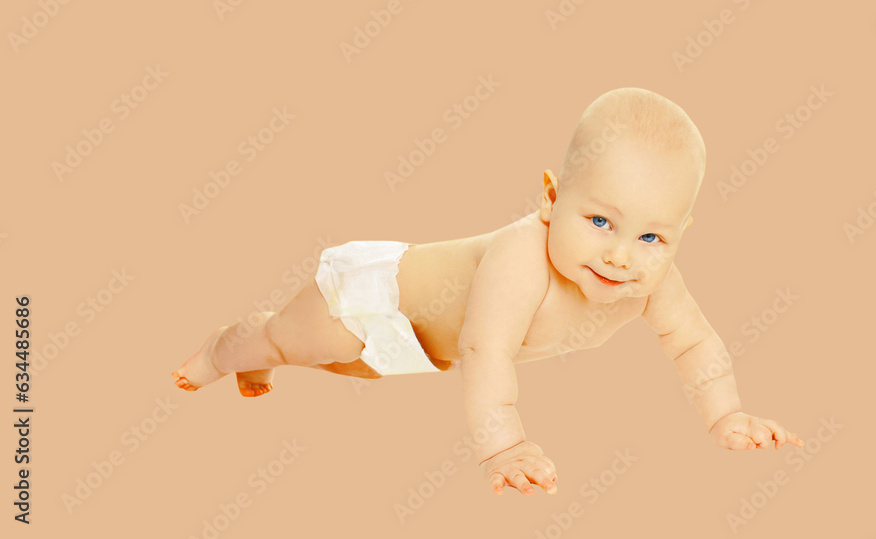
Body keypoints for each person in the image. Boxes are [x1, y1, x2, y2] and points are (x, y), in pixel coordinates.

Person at [172, 87, 804, 497]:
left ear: (680, 234)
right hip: (379, 302)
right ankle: (225, 350)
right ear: (552, 200)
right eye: (601, 222)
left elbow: (693, 341)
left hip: (418, 352)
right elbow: (486, 351)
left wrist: (725, 413)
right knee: (294, 341)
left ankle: (257, 359)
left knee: (345, 371)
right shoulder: (522, 258)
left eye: (652, 236)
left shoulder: (651, 281)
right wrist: (504, 444)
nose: (621, 255)